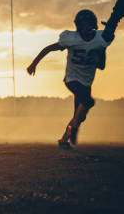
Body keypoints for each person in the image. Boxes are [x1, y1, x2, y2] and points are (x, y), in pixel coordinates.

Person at [27, 9, 112, 149]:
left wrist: (100, 52)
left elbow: (101, 66)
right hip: (72, 79)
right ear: (78, 25)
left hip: (86, 82)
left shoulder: (100, 39)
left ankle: (63, 140)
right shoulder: (71, 38)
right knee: (88, 101)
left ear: (92, 24)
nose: (84, 27)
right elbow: (49, 48)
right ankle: (74, 130)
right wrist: (34, 63)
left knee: (79, 116)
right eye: (82, 24)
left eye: (87, 24)